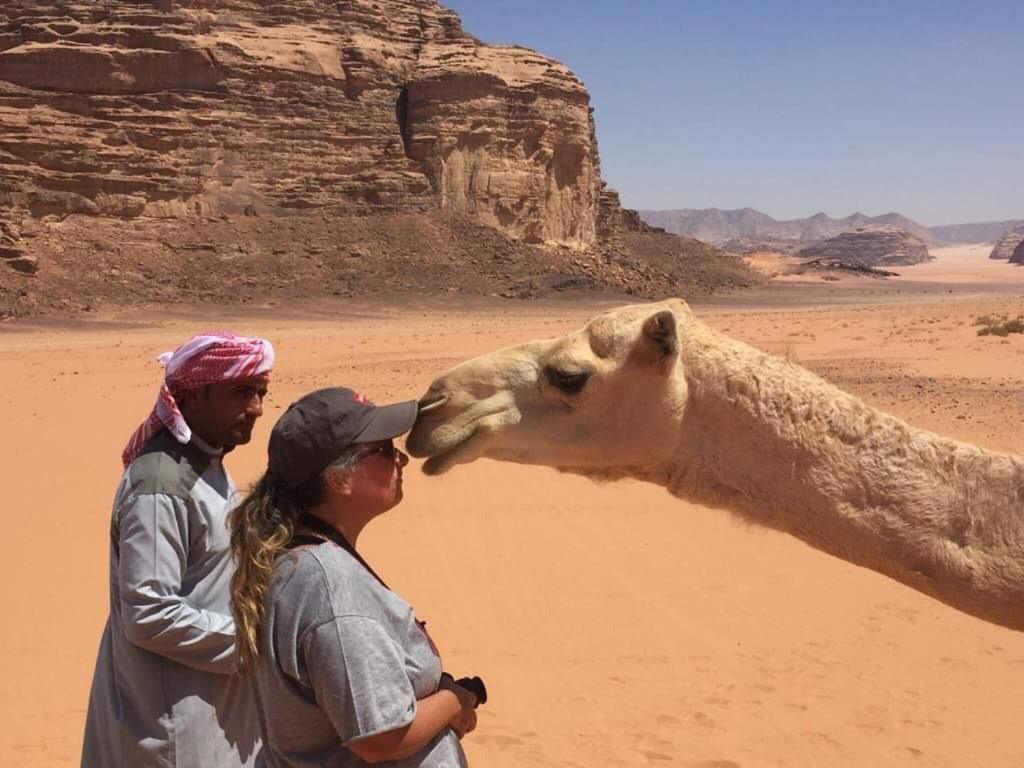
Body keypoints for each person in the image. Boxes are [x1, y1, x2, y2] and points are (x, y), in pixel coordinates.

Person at [229, 387, 479, 768]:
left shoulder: (302, 562)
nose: (402, 458)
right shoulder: (330, 589)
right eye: (383, 450)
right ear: (339, 479)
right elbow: (381, 738)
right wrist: (455, 701)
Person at [82, 331, 275, 768]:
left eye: (261, 392)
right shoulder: (161, 481)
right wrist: (256, 642)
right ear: (191, 398)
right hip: (171, 722)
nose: (256, 408)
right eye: (241, 392)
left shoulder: (206, 467)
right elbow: (148, 613)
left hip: (216, 708)